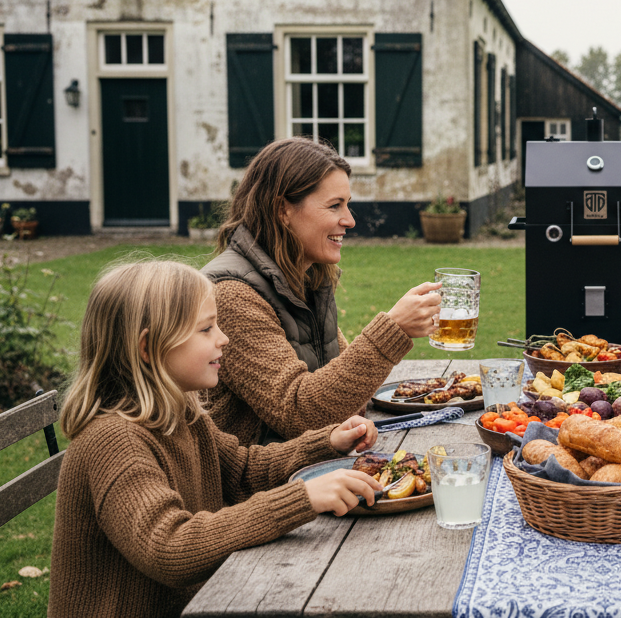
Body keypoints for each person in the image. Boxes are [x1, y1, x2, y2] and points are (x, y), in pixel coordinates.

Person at [49, 260, 385, 618]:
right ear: (147, 348)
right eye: (206, 329)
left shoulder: (181, 416)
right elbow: (170, 548)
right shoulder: (114, 440)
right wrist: (301, 498)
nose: (223, 338)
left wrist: (327, 443)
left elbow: (242, 472)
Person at [201, 137, 441, 446]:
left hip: (310, 472)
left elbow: (342, 396)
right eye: (334, 206)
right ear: (282, 210)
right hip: (258, 486)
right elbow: (299, 414)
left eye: (347, 204)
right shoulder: (233, 295)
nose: (349, 220)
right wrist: (391, 331)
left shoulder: (306, 277)